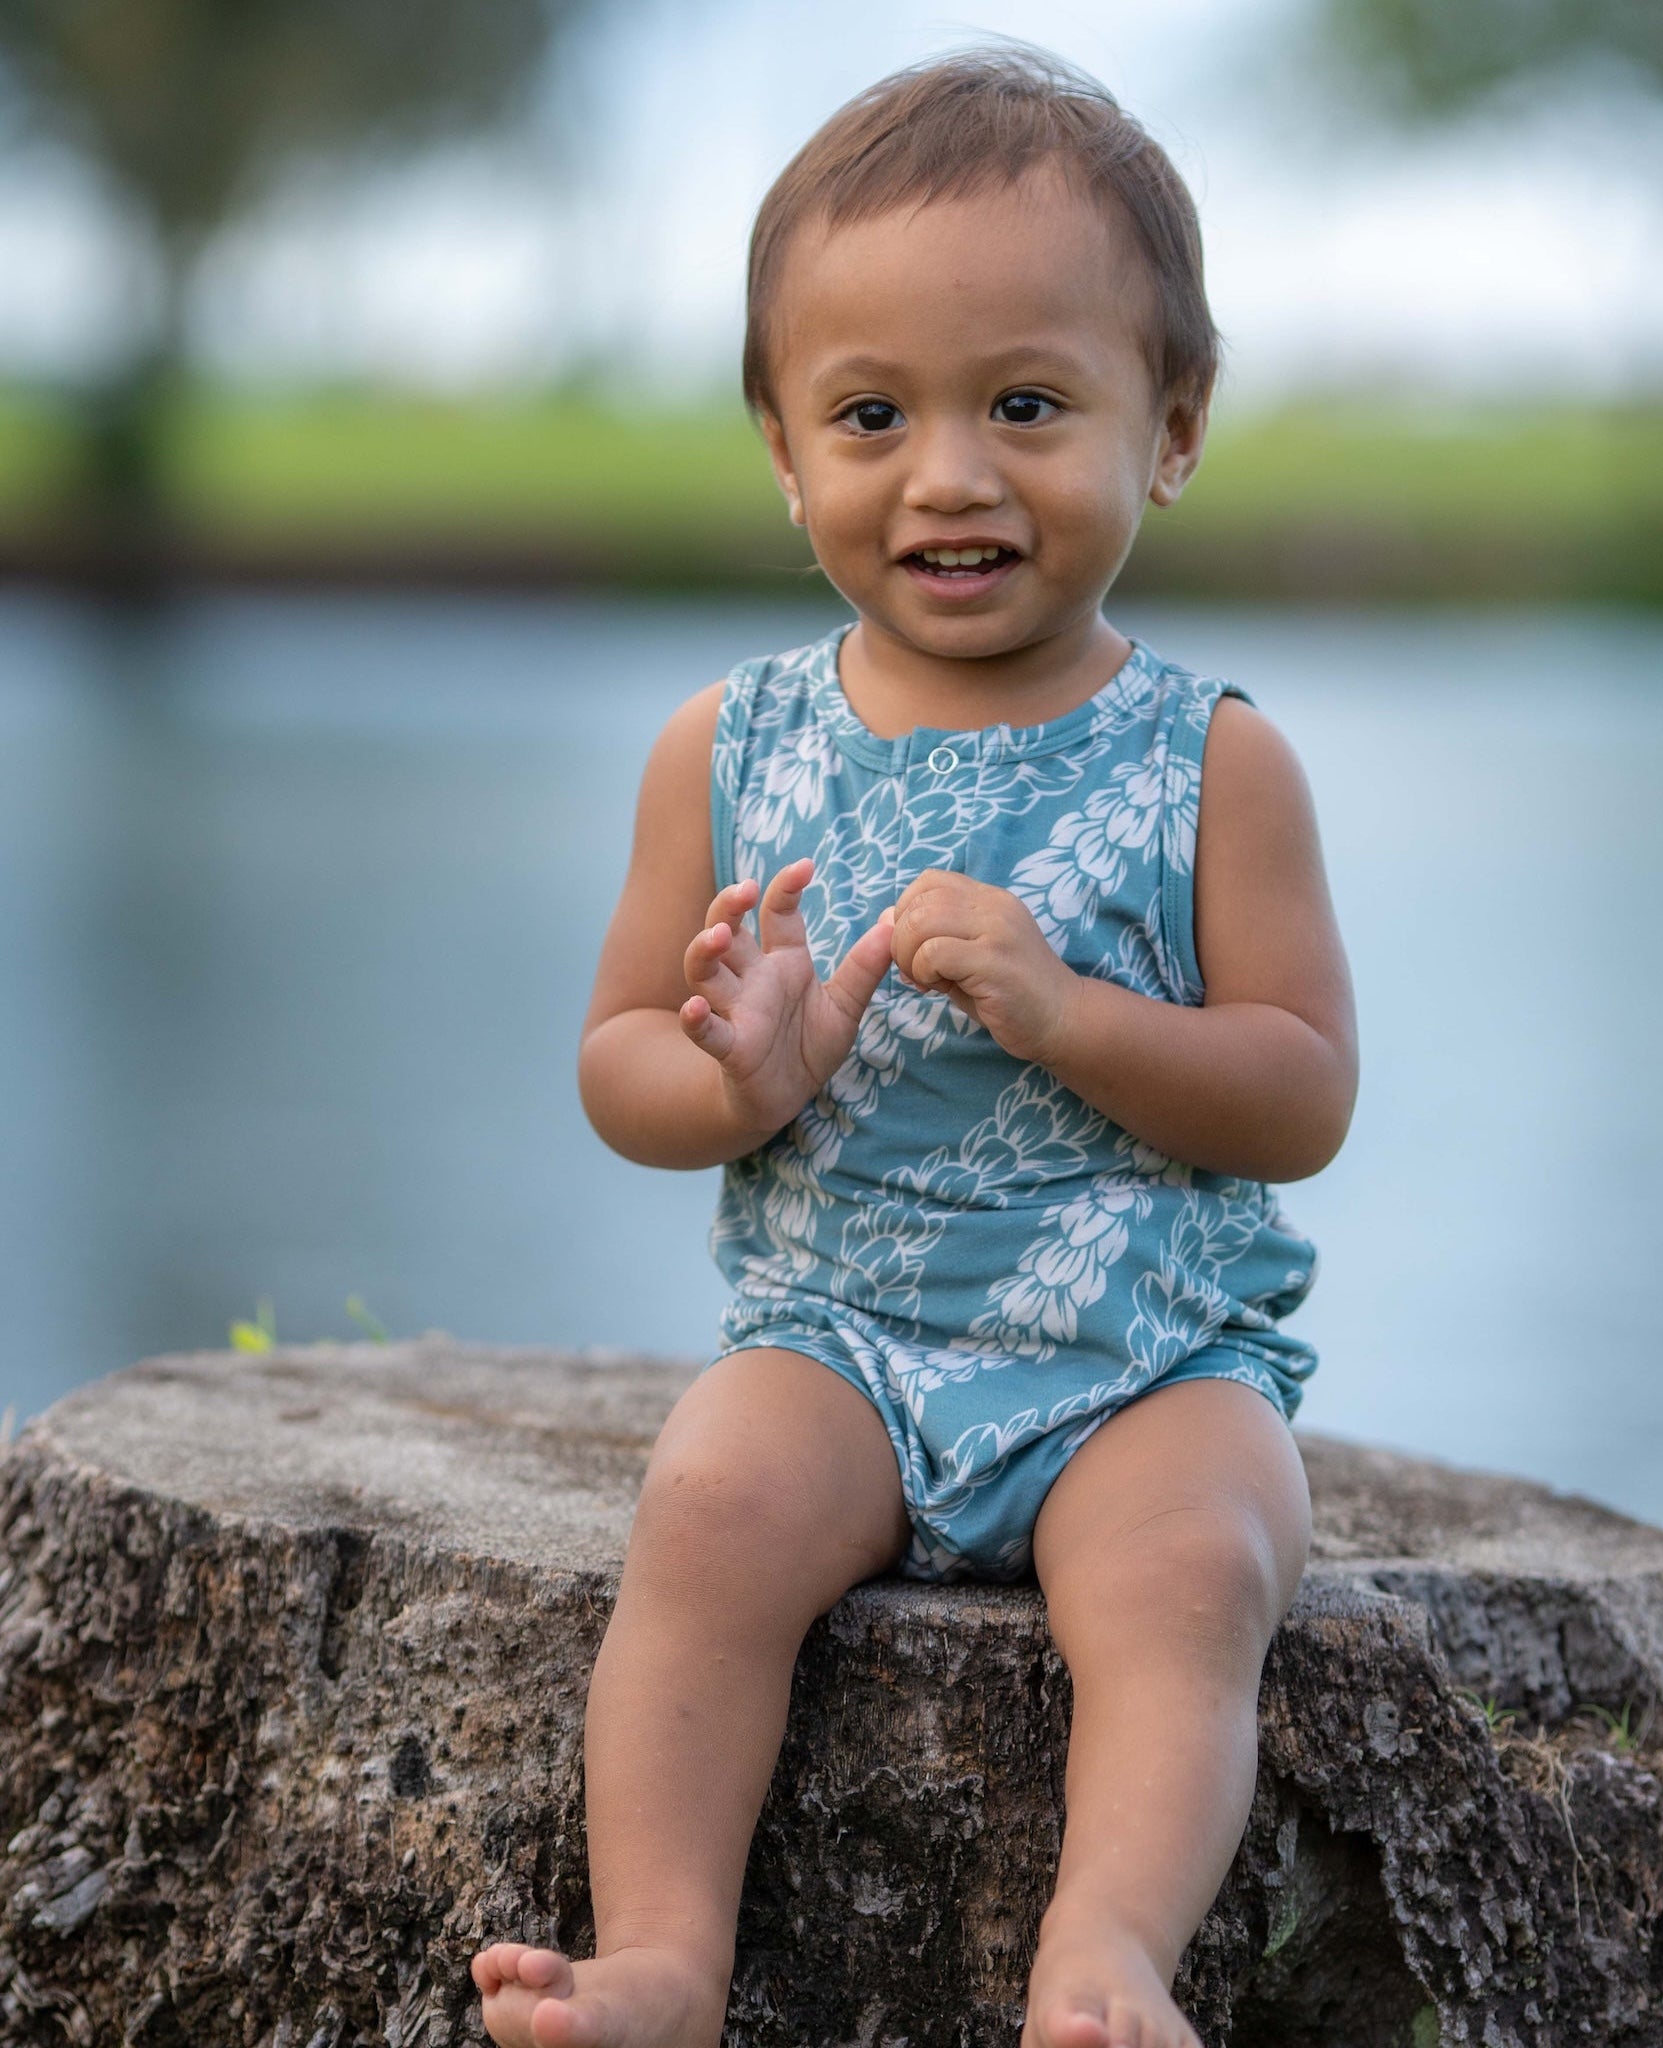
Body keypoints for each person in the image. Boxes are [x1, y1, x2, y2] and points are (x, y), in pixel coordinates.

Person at [472, 42, 1356, 2048]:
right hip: (838, 1336)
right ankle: (666, 1961)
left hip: (1143, 1353)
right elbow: (619, 1059)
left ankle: (1101, 1954)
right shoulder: (731, 748)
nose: (948, 472)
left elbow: (1301, 1091)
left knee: (1194, 1567)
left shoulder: (1212, 762)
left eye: (1026, 405)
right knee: (702, 1516)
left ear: (1174, 425)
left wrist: (1071, 1015)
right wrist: (739, 1083)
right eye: (871, 414)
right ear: (786, 452)